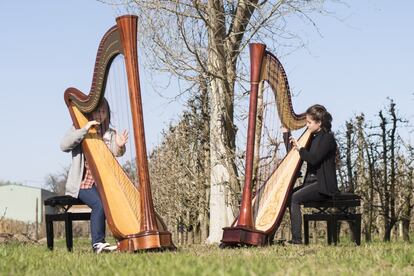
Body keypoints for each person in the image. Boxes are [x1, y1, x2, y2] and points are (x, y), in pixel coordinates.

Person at [60, 99, 128, 253]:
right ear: (90, 111)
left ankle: (124, 238)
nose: (100, 114)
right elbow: (64, 145)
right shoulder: (78, 127)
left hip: (102, 183)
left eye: (103, 112)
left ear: (107, 114)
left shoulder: (109, 133)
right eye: (97, 111)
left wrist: (120, 145)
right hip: (82, 183)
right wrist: (85, 129)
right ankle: (98, 243)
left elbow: (115, 153)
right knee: (100, 204)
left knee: (117, 201)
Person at [284, 104, 339, 244]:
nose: (307, 125)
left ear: (319, 123)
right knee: (288, 197)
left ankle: (297, 239)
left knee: (295, 198)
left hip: (324, 185)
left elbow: (313, 158)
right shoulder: (312, 138)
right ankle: (271, 236)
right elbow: (297, 154)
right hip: (312, 183)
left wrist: (300, 149)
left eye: (309, 122)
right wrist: (286, 135)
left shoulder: (328, 139)